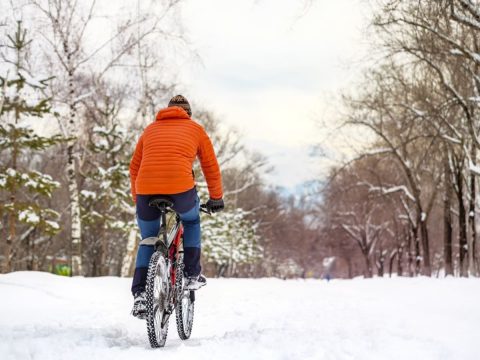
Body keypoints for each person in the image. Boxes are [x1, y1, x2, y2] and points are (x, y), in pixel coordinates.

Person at [129, 95, 224, 319]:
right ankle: (191, 274)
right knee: (191, 220)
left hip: (145, 190)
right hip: (181, 189)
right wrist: (216, 198)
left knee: (148, 239)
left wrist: (138, 198)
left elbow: (134, 167)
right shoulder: (195, 129)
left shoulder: (150, 130)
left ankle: (141, 294)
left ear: (166, 111)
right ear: (188, 114)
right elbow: (210, 166)